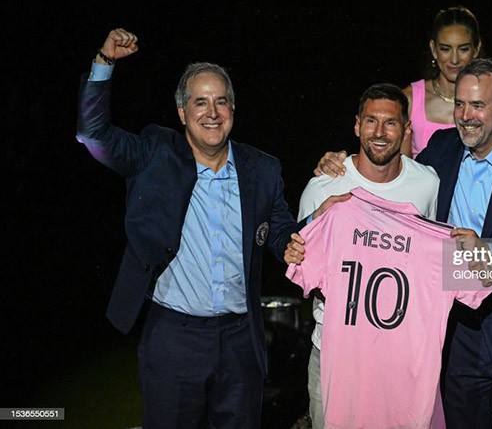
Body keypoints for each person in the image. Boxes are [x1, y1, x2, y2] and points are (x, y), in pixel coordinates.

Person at [76, 28, 340, 428]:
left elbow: (280, 225)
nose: (211, 113)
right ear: (182, 113)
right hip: (173, 337)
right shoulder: (155, 154)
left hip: (240, 339)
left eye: (221, 101)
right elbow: (92, 134)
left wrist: (291, 241)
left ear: (233, 108)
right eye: (200, 102)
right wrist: (104, 63)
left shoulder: (262, 169)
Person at [313, 59, 492, 429]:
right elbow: (392, 184)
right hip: (457, 336)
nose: (466, 115)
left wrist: (489, 253)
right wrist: (342, 169)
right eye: (459, 104)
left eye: (478, 105)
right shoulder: (440, 150)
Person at [289, 84, 441, 428]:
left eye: (391, 124)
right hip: (334, 354)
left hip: (399, 357)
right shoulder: (323, 188)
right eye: (371, 121)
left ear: (406, 131)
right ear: (357, 126)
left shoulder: (428, 184)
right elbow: (298, 260)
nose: (380, 132)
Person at [399, 6, 492, 158]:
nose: (454, 60)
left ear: (476, 48)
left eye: (463, 49)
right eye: (445, 49)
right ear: (434, 49)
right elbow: (401, 171)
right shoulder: (409, 99)